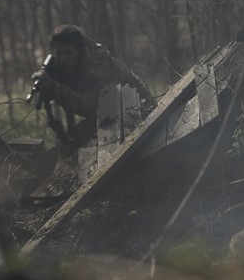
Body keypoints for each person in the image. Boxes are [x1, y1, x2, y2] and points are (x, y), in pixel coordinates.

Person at [29, 24, 153, 199]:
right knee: (67, 148)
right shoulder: (63, 65)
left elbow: (91, 106)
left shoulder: (97, 66)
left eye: (68, 53)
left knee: (76, 150)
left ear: (80, 51)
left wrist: (55, 88)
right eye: (58, 53)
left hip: (139, 113)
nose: (63, 59)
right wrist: (47, 84)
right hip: (110, 115)